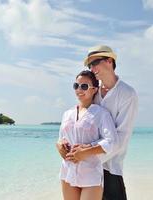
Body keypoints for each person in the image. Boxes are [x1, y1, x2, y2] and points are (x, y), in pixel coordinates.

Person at [58, 45, 138, 200]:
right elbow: (80, 123)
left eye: (95, 63)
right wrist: (63, 145)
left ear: (109, 61)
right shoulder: (93, 90)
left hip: (110, 167)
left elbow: (121, 139)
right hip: (82, 166)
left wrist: (87, 155)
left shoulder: (128, 94)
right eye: (89, 65)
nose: (92, 68)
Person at [56, 70, 117, 200]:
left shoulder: (101, 114)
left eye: (84, 86)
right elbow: (61, 138)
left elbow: (111, 141)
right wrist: (59, 146)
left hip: (91, 173)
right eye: (76, 86)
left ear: (94, 89)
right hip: (68, 170)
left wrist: (86, 151)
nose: (79, 89)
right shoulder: (67, 114)